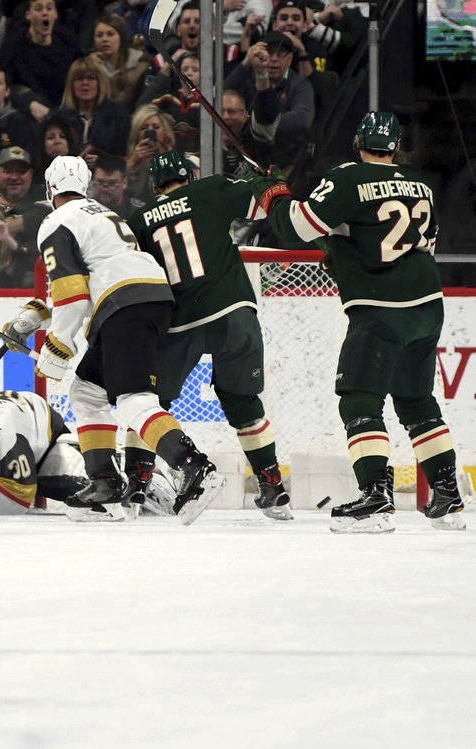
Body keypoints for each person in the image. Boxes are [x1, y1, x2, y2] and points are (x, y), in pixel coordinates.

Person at [248, 111, 465, 533]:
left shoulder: (347, 177)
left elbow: (296, 226)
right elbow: (408, 241)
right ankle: (446, 492)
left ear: (358, 142)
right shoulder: (419, 184)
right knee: (416, 400)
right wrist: (341, 248)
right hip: (428, 304)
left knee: (359, 398)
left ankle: (376, 497)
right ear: (396, 147)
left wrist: (273, 194)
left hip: (381, 309)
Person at [7, 154, 226, 524]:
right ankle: (105, 483)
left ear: (49, 187)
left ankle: (194, 467)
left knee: (132, 400)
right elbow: (86, 280)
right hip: (147, 299)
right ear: (86, 185)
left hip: (124, 307)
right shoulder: (102, 214)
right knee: (87, 392)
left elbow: (74, 293)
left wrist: (58, 345)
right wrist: (35, 316)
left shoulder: (55, 220)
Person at [126, 150, 292, 521]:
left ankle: (137, 483)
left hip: (179, 323)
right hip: (234, 312)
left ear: (154, 186)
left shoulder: (138, 220)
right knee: (242, 401)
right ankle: (271, 484)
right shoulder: (212, 190)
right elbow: (265, 203)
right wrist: (271, 176)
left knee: (146, 401)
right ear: (189, 175)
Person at [224, 30, 313, 170]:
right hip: (250, 152)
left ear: (290, 59)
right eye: (269, 53)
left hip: (287, 157)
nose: (274, 59)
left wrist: (256, 124)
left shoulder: (300, 84)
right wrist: (247, 62)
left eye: (280, 54)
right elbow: (220, 97)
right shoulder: (250, 78)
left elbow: (302, 119)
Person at [0, 0, 81, 121]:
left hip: (62, 112)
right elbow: (3, 83)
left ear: (55, 14)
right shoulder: (14, 46)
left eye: (49, 8)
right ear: (28, 15)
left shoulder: (67, 43)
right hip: (25, 115)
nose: (45, 13)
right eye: (39, 9)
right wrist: (28, 103)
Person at [50, 56, 130, 166]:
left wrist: (102, 161)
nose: (85, 83)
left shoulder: (118, 115)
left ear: (100, 83)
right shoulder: (57, 117)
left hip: (107, 177)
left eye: (91, 78)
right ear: (71, 85)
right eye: (79, 79)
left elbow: (124, 157)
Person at [124, 104, 177, 204]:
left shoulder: (177, 160)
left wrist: (167, 158)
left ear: (165, 132)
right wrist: (131, 164)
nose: (150, 131)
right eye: (144, 128)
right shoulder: (127, 162)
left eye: (156, 127)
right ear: (136, 133)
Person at [91, 154, 141, 219]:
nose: (105, 189)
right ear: (93, 180)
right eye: (100, 182)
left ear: (124, 183)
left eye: (111, 183)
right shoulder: (82, 209)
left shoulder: (139, 212)